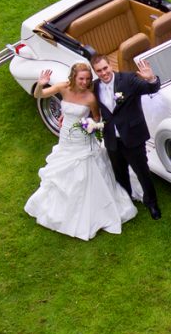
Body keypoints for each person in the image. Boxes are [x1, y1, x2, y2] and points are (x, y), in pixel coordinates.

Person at [24, 63, 137, 239]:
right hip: (66, 138)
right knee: (62, 173)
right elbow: (39, 94)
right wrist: (41, 83)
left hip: (83, 140)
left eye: (87, 79)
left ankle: (90, 209)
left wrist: (91, 126)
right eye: (81, 79)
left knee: (85, 173)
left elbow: (97, 118)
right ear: (73, 77)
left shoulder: (90, 98)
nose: (84, 82)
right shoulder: (63, 87)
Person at [91, 53, 163, 219]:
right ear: (95, 72)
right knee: (119, 173)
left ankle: (152, 203)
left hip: (133, 137)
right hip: (111, 139)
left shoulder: (128, 79)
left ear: (110, 65)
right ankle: (126, 201)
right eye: (99, 71)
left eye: (105, 68)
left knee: (142, 172)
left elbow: (152, 88)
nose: (103, 73)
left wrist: (151, 78)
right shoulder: (94, 87)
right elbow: (89, 105)